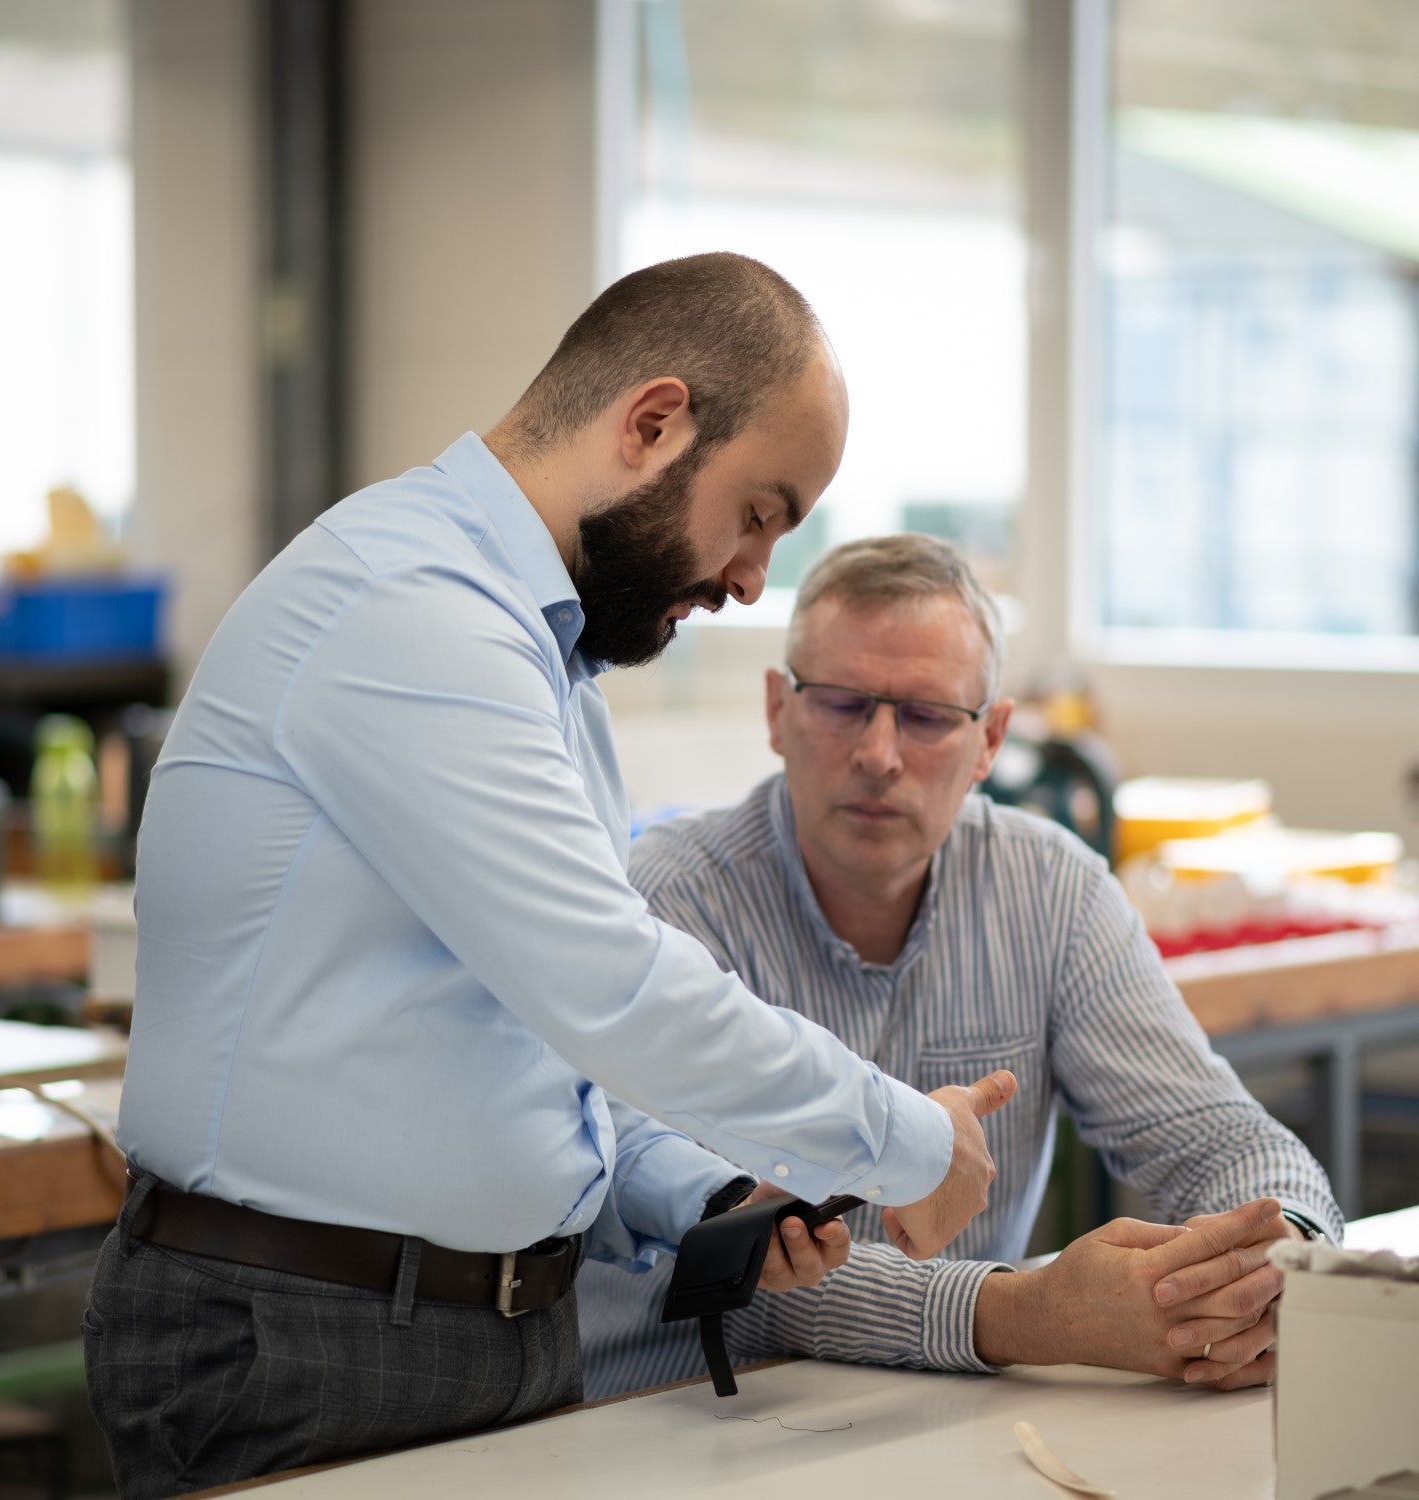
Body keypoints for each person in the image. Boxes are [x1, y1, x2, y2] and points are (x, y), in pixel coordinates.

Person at [85, 255, 1016, 1499]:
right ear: (653, 424)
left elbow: (531, 1043)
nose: (751, 576)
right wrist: (911, 1140)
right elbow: (612, 987)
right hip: (306, 1336)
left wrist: (706, 1195)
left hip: (476, 1330)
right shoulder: (412, 607)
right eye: (757, 513)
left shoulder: (542, 653)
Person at [578, 532, 1342, 1400]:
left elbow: (1216, 1137)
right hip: (682, 1417)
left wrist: (1274, 1268)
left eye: (927, 716)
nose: (879, 754)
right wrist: (1030, 1314)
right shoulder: (668, 901)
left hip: (954, 1414)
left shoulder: (1051, 890)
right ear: (776, 711)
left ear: (992, 740)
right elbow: (743, 1268)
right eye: (841, 704)